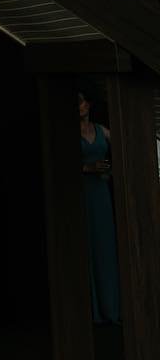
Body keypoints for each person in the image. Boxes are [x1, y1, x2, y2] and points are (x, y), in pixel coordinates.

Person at [78, 81, 121, 325]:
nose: (79, 107)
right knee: (90, 246)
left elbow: (124, 148)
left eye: (81, 102)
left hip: (102, 192)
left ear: (88, 104)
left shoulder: (101, 130)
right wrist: (87, 168)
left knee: (106, 246)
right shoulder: (70, 133)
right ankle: (95, 311)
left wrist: (112, 171)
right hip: (85, 192)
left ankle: (111, 307)